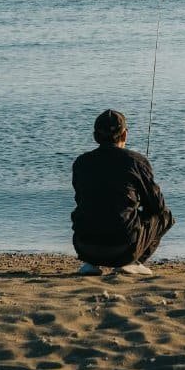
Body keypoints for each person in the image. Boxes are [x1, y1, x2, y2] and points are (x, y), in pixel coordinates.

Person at [71, 109, 174, 275]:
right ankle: (133, 262)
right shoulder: (136, 161)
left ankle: (91, 264)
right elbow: (158, 206)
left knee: (93, 211)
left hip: (84, 245)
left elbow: (81, 200)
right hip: (123, 248)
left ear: (95, 136)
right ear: (124, 135)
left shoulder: (81, 162)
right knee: (164, 216)